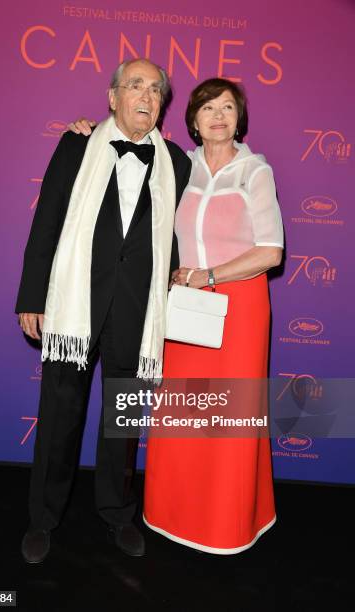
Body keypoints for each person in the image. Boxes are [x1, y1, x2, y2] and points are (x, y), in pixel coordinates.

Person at [71, 77, 283, 554]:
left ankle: (227, 523)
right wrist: (86, 130)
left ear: (238, 118)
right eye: (208, 107)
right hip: (184, 309)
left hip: (240, 308)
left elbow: (271, 252)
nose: (219, 115)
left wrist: (209, 275)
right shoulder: (177, 165)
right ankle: (171, 514)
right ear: (192, 119)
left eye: (228, 107)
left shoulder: (255, 171)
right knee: (182, 418)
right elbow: (122, 163)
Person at [16, 58, 191, 563]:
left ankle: (117, 513)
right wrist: (31, 296)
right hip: (73, 305)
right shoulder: (77, 145)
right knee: (60, 416)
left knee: (122, 421)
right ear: (113, 97)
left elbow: (177, 241)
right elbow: (46, 221)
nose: (146, 95)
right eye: (135, 85)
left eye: (156, 89)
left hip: (137, 313)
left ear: (162, 104)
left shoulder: (177, 163)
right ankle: (43, 519)